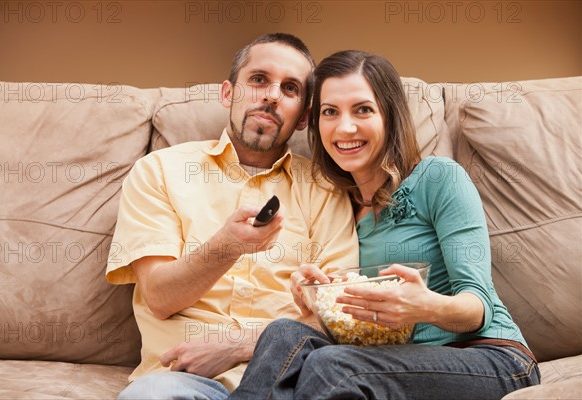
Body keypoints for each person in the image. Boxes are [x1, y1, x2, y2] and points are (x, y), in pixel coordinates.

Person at [230, 50, 541, 399]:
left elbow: (477, 308)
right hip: (392, 361)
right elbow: (362, 322)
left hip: (489, 357)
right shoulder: (336, 205)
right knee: (283, 333)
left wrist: (425, 306)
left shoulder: (438, 178)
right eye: (330, 112)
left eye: (363, 110)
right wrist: (321, 302)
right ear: (316, 124)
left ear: (390, 116)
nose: (345, 127)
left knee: (332, 366)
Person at [105, 34, 359, 400]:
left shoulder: (325, 189)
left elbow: (337, 316)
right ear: (228, 94)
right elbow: (159, 295)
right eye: (258, 80)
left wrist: (241, 345)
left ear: (304, 117)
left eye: (289, 88)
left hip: (291, 380)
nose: (271, 95)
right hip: (180, 382)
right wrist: (227, 247)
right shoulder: (160, 170)